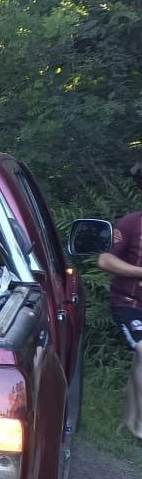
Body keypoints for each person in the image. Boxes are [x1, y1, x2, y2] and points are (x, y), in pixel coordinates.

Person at [100, 182, 142, 442]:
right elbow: (105, 260)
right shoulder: (131, 223)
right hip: (128, 302)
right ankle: (139, 430)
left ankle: (127, 424)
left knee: (140, 360)